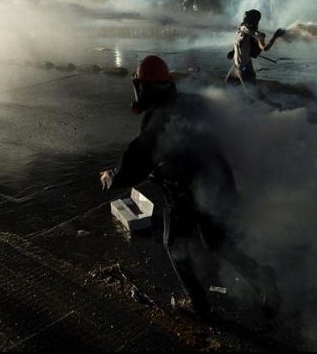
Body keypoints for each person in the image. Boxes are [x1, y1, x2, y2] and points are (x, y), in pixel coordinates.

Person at [100, 55, 281, 319]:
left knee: (174, 244)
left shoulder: (159, 121)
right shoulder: (192, 102)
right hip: (217, 184)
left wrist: (109, 178)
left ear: (144, 87)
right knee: (217, 242)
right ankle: (262, 277)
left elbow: (134, 164)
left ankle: (197, 304)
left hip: (187, 193)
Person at [225, 9, 285, 87]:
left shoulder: (258, 35)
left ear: (253, 22)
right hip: (235, 67)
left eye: (248, 19)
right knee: (227, 87)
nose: (246, 20)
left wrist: (275, 37)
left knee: (253, 94)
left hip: (245, 69)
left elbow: (265, 48)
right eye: (246, 19)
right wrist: (233, 51)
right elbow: (239, 43)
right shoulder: (241, 27)